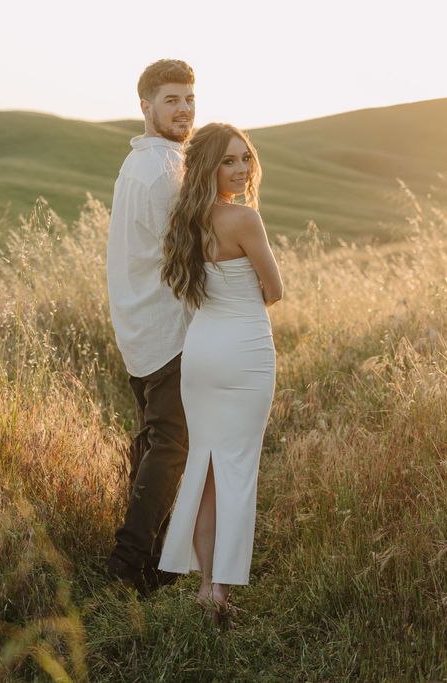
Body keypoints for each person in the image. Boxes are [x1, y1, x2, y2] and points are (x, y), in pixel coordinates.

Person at [157, 123, 282, 625]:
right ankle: (218, 590)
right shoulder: (244, 218)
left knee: (206, 469)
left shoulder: (186, 219)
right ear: (208, 167)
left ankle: (208, 586)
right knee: (234, 469)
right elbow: (273, 289)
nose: (241, 169)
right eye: (229, 160)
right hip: (245, 351)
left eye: (245, 159)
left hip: (202, 349)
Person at [105, 59, 196, 596]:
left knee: (153, 445)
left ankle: (153, 556)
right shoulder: (164, 172)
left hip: (141, 328)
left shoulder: (138, 164)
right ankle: (127, 563)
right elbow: (185, 255)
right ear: (146, 107)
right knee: (173, 446)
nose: (183, 109)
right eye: (171, 100)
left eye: (188, 98)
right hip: (166, 331)